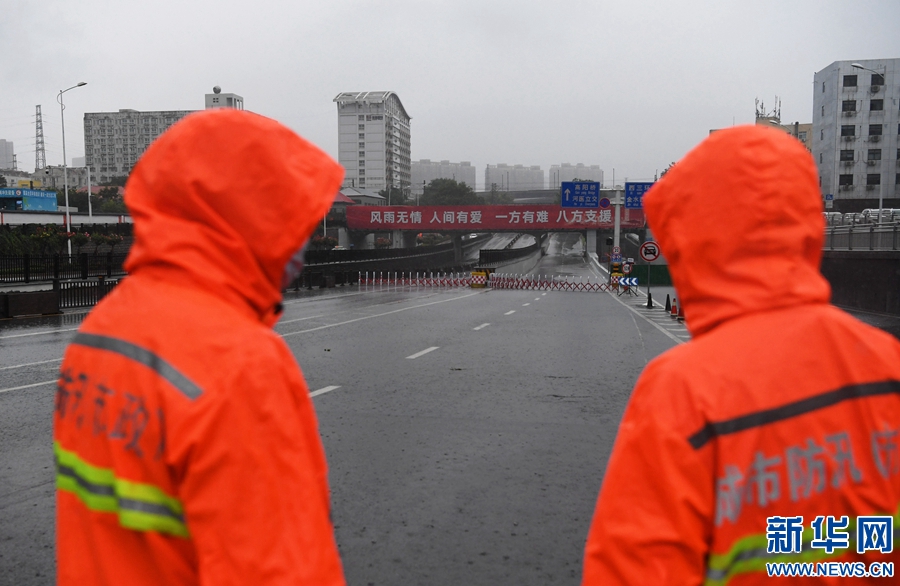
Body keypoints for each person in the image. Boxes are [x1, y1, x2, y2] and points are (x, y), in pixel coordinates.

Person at [582, 125, 900, 585]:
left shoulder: (684, 390)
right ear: (806, 221)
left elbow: (634, 568)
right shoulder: (885, 365)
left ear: (690, 236)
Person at [53, 109, 346, 585]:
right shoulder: (239, 362)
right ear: (250, 219)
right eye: (294, 221)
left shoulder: (102, 328)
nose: (304, 244)